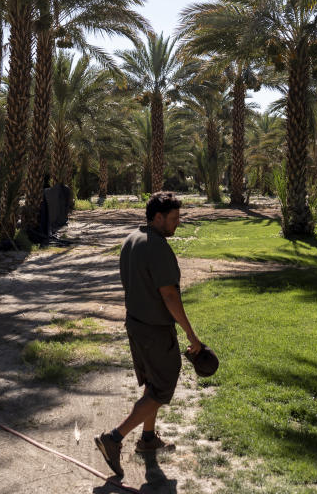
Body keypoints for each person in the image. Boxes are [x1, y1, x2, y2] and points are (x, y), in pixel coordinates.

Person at [95, 192, 202, 479]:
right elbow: (169, 295)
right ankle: (114, 438)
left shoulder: (132, 239)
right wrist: (191, 335)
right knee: (162, 387)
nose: (178, 223)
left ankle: (148, 438)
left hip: (136, 323)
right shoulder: (157, 247)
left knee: (153, 383)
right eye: (174, 218)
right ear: (158, 217)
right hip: (155, 330)